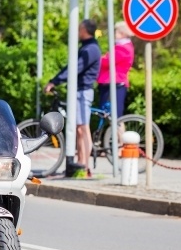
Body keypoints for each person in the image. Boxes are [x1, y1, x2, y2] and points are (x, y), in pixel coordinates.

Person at [44, 19, 101, 175]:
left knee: (83, 128)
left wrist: (55, 82)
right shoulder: (88, 47)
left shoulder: (90, 49)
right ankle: (81, 162)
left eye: (79, 29)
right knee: (79, 128)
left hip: (82, 91)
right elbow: (72, 67)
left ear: (85, 31)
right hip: (80, 91)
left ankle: (85, 165)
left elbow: (75, 68)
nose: (77, 32)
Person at [97, 21, 134, 118]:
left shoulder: (123, 48)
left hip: (114, 83)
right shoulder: (122, 46)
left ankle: (121, 133)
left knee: (115, 117)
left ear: (122, 33)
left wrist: (96, 59)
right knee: (113, 117)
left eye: (116, 32)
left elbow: (107, 60)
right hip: (112, 82)